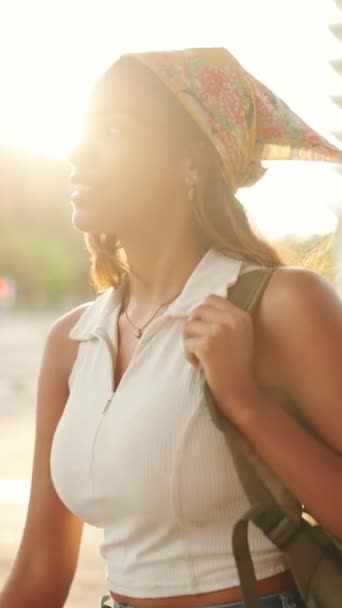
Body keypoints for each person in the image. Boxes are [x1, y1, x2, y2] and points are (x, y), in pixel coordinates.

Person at [1, 47, 342, 608]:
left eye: (112, 130)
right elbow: (41, 570)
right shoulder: (71, 344)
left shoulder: (281, 305)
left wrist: (249, 406)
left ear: (190, 161)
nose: (76, 152)